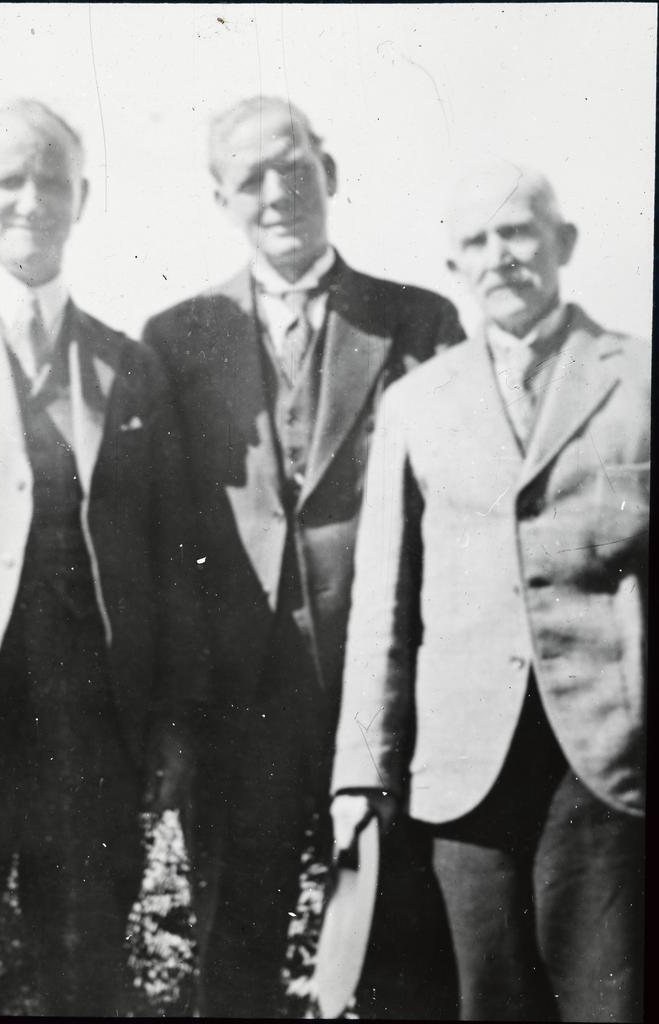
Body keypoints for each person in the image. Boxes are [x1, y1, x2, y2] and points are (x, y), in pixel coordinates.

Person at [142, 95, 464, 1018]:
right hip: (236, 711)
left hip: (377, 705)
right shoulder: (177, 336)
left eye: (295, 167)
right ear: (220, 199)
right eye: (251, 178)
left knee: (398, 954)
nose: (278, 192)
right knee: (231, 957)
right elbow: (165, 543)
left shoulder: (416, 321)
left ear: (330, 173)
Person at [331, 160, 648, 1022]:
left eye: (518, 232)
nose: (499, 256)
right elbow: (382, 608)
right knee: (485, 1001)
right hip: (461, 769)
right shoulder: (416, 402)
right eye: (476, 240)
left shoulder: (640, 379)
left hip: (609, 768)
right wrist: (360, 772)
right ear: (452, 268)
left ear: (563, 244)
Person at [0, 98, 208, 1016]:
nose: (29, 200)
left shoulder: (126, 364)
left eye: (49, 180)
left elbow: (173, 559)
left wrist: (171, 720)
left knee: (84, 966)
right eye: (7, 181)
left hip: (88, 724)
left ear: (82, 197)